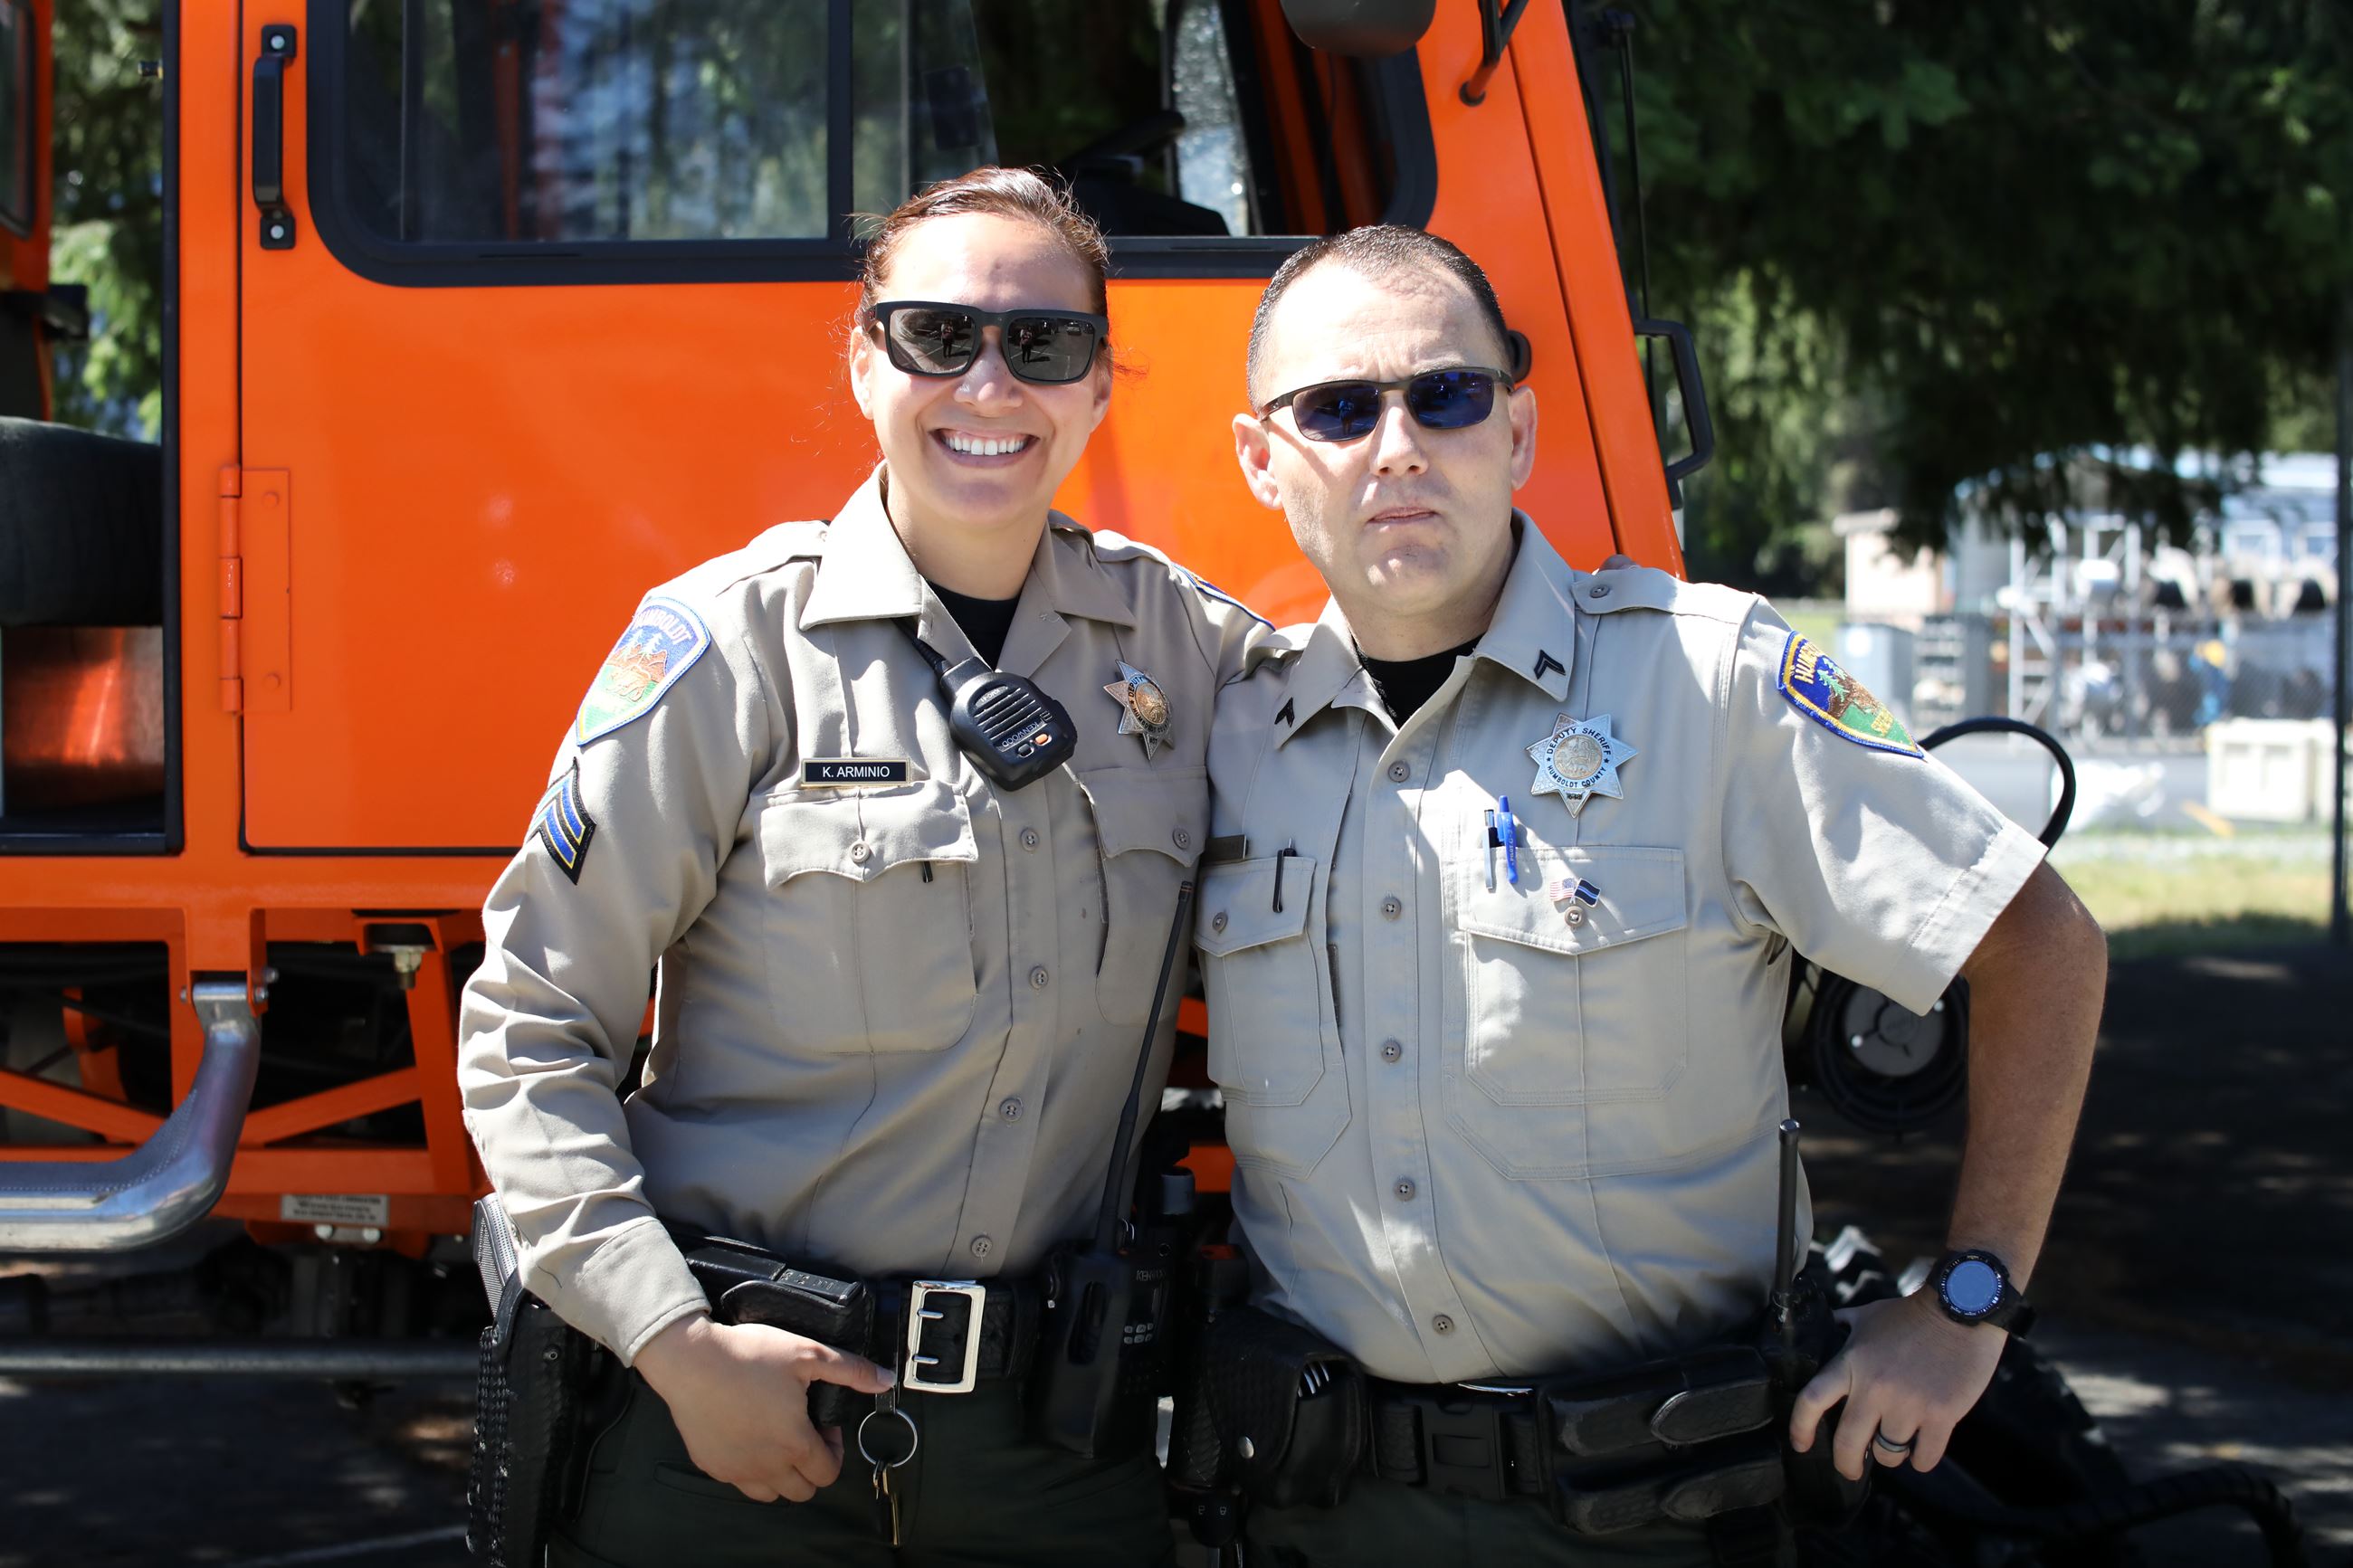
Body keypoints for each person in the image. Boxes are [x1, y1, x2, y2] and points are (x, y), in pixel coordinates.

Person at [1194, 225, 2108, 1564]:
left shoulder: (1714, 683)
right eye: (1338, 407)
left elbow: (2040, 940)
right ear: (1264, 460)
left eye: (1443, 394)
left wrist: (1966, 1303)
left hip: (1654, 1512)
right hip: (1327, 1514)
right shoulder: (1229, 736)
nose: (1396, 446)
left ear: (1516, 429)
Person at [457, 167, 1265, 1568]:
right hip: (732, 1425)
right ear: (863, 358)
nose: (991, 383)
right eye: (939, 336)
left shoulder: (1187, 654)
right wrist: (674, 1340)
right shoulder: (730, 647)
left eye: (1045, 345)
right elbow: (530, 1026)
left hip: (1050, 1448)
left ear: (1097, 388)